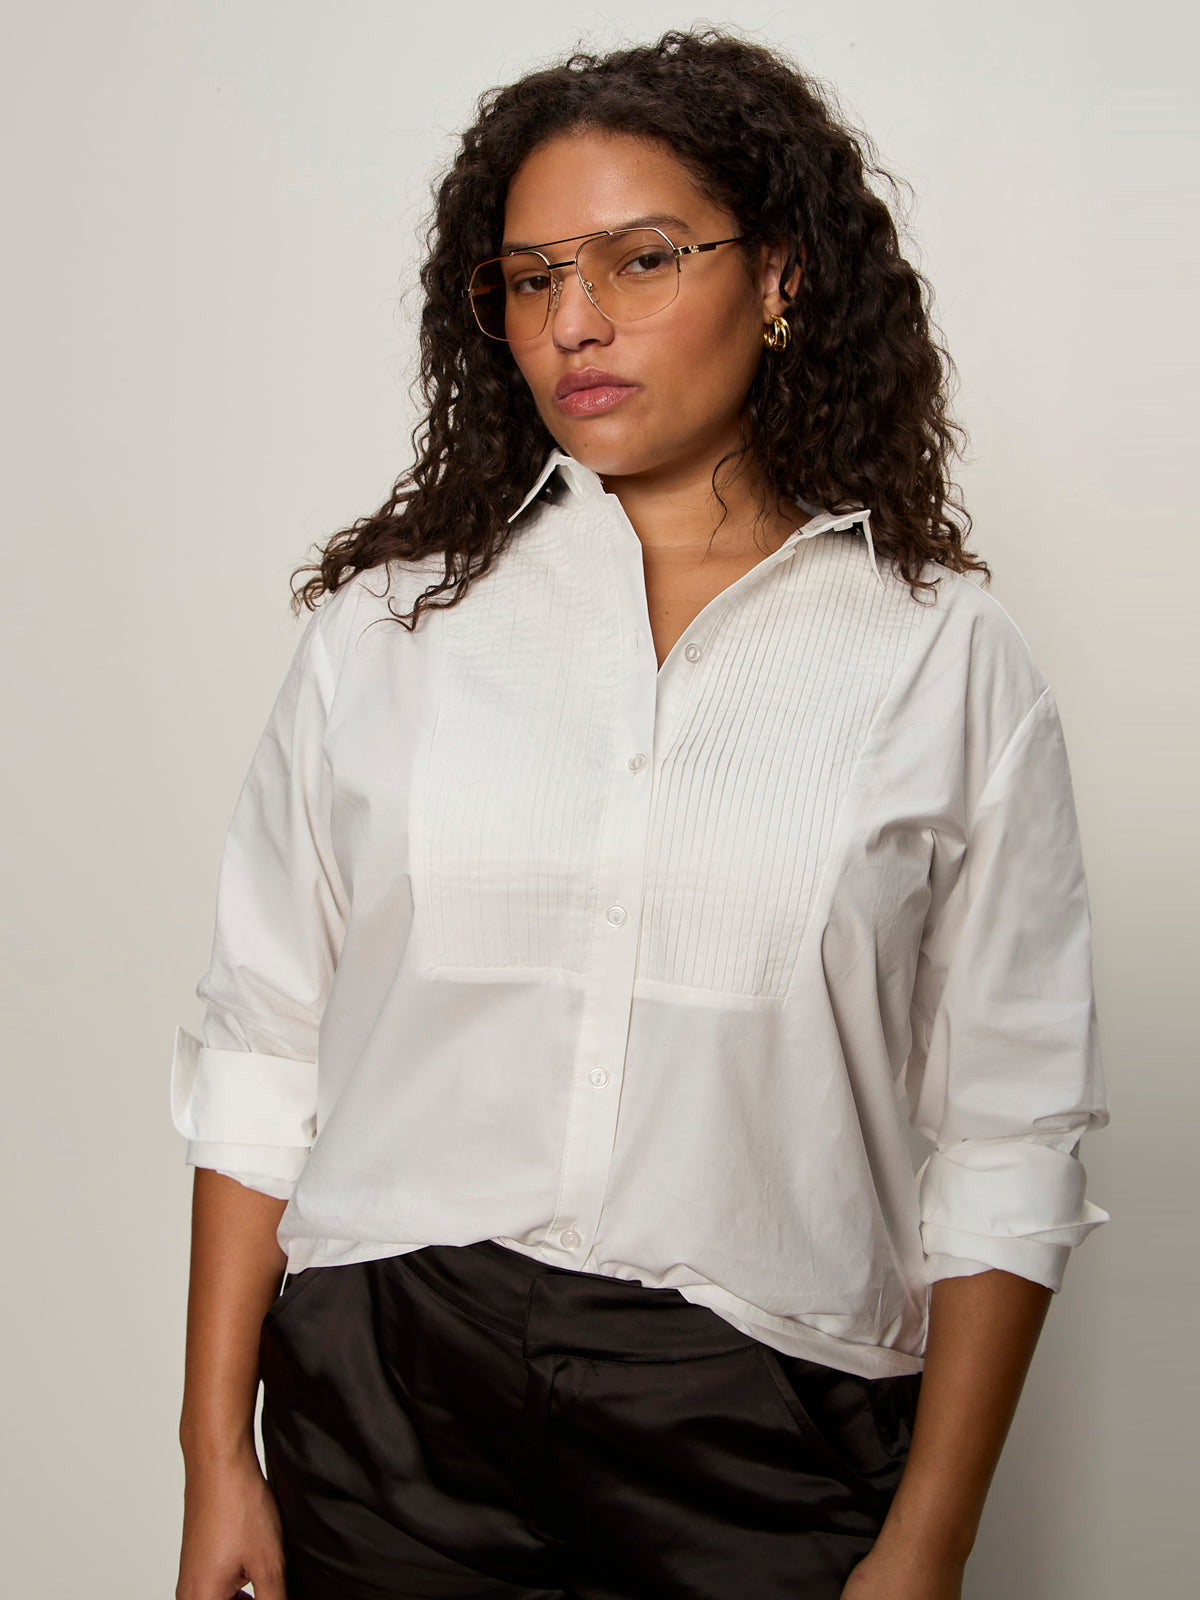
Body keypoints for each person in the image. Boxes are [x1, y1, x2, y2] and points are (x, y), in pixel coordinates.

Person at [172, 28, 1109, 1600]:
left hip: (761, 1415)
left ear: (784, 276)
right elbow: (262, 1041)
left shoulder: (942, 659)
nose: (577, 323)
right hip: (393, 1391)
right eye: (532, 279)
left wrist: (927, 1546)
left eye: (641, 258)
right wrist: (216, 1455)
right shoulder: (393, 632)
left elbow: (1011, 1130)